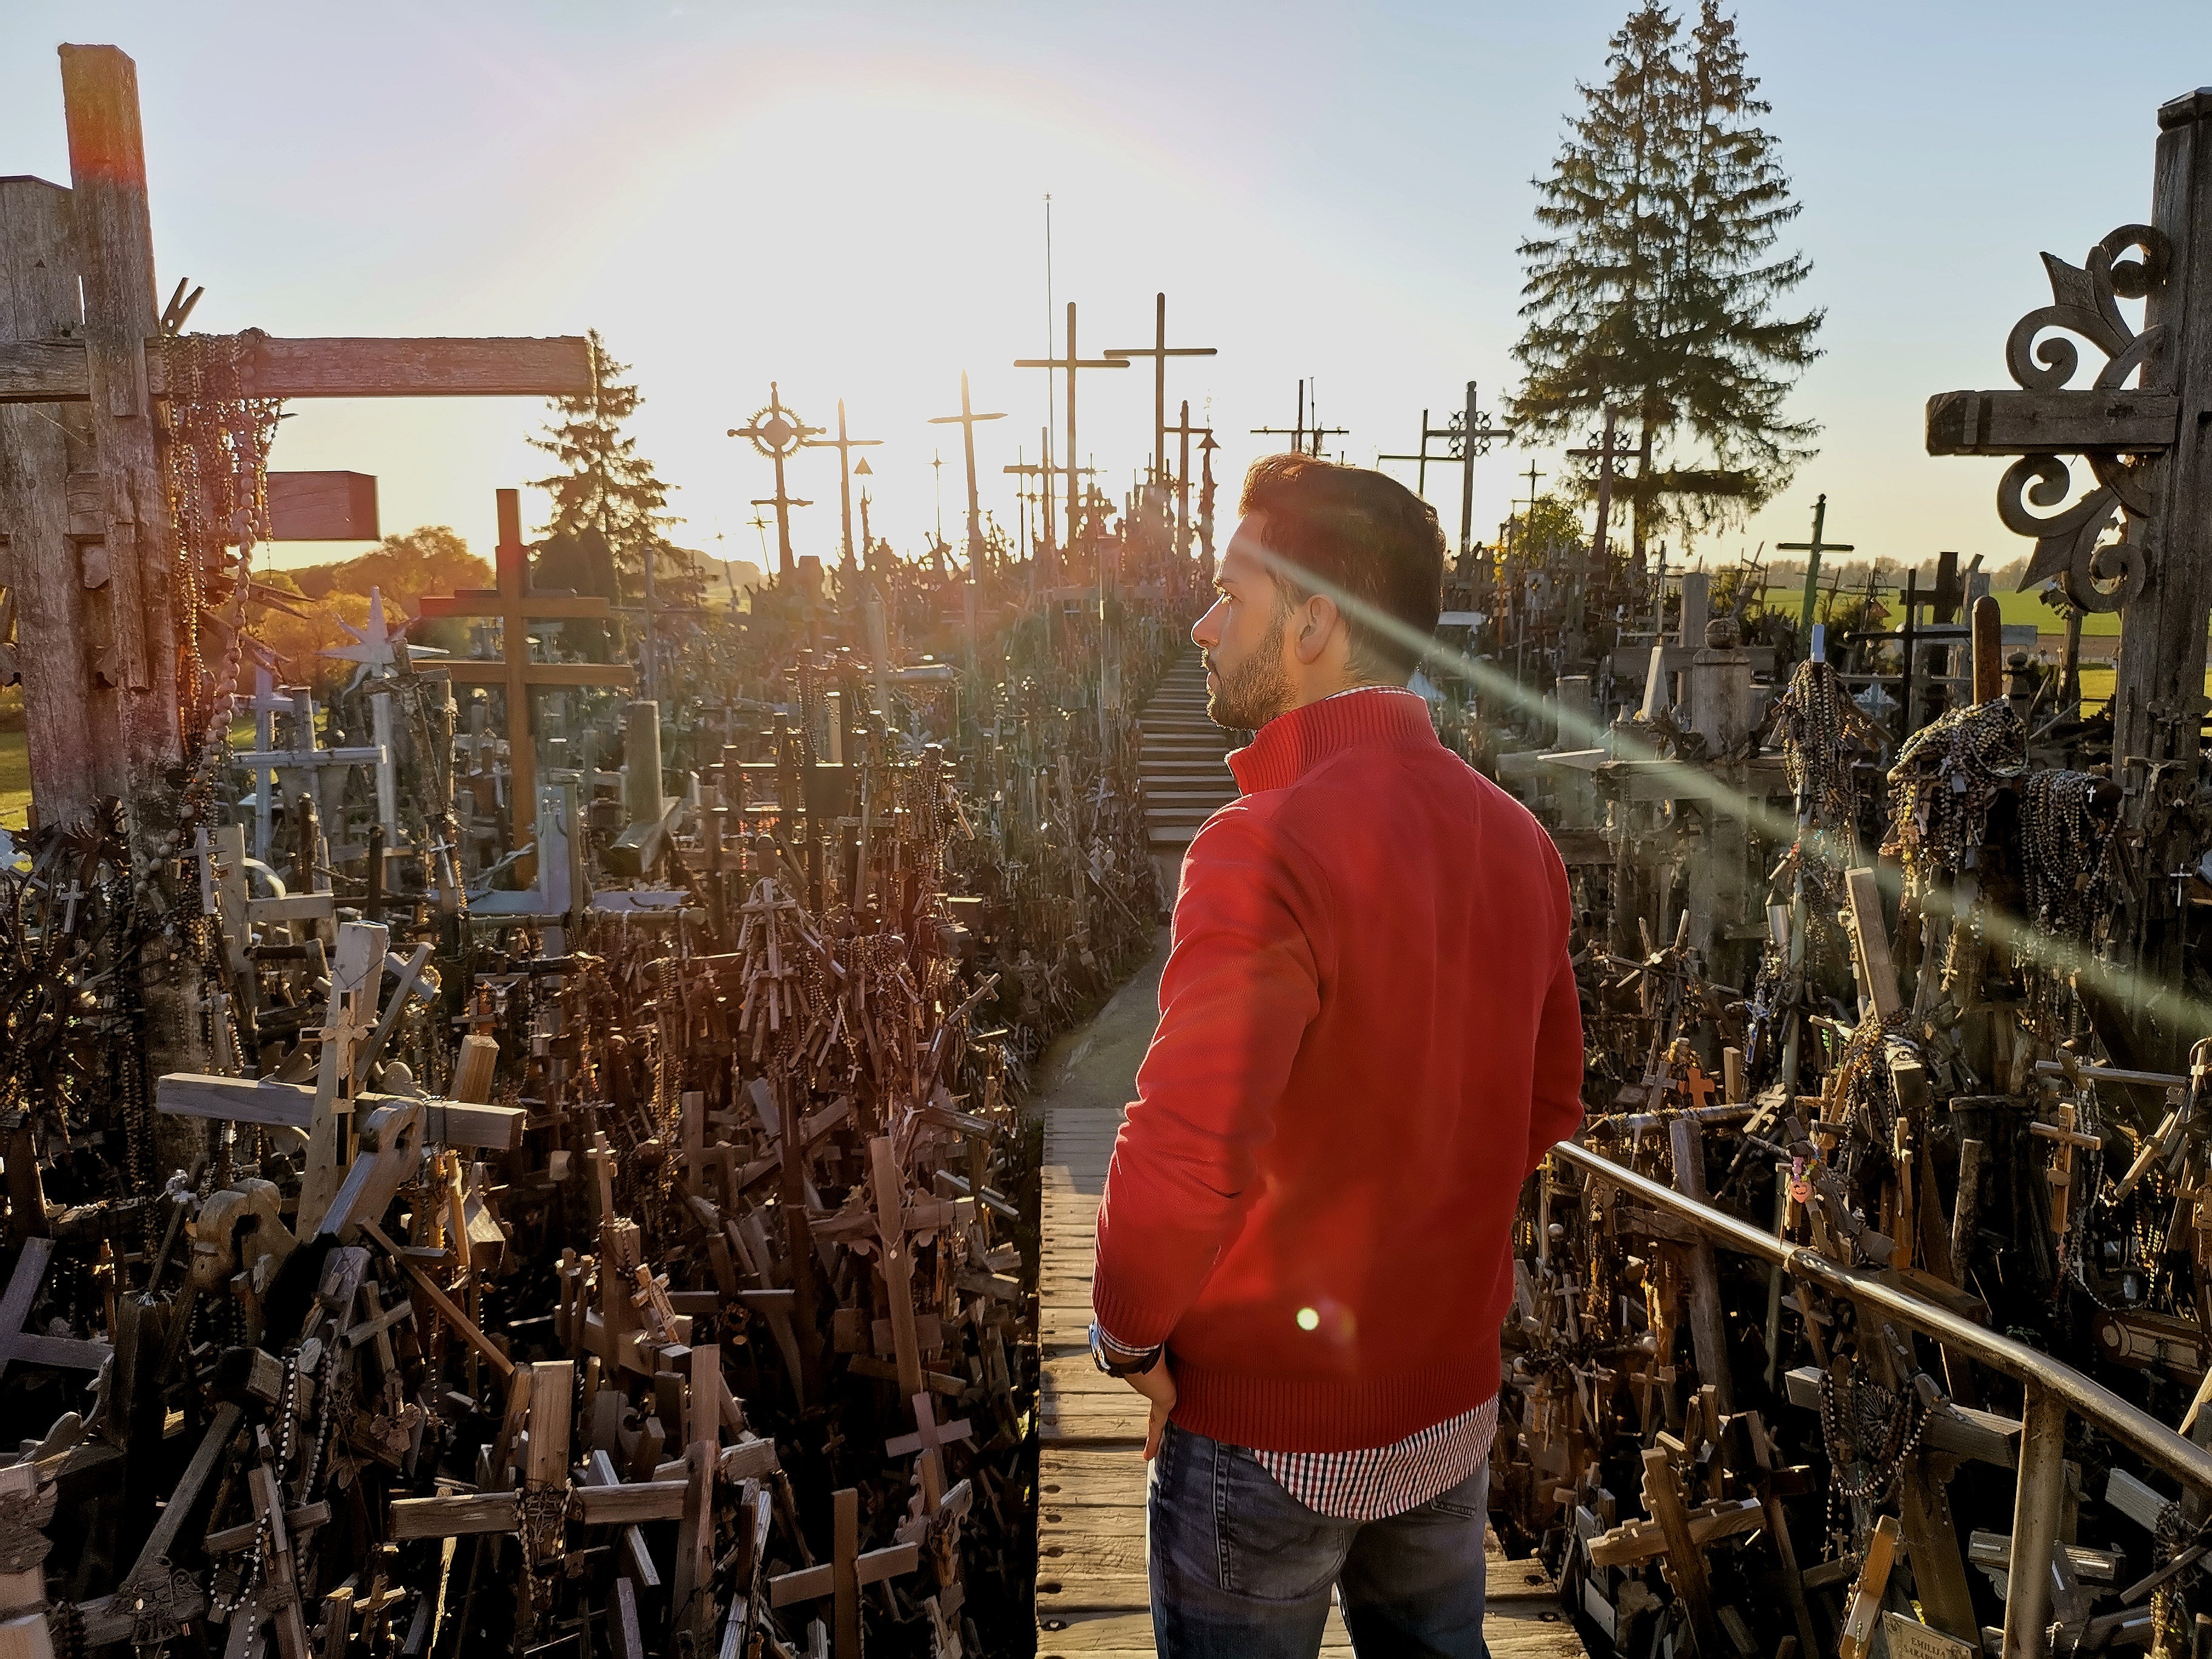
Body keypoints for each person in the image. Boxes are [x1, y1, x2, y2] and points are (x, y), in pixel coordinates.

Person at [1089, 454, 1586, 1658]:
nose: (1201, 625)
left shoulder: (1260, 845)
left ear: (1313, 622)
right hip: (1445, 1409)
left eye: (1230, 596)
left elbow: (1186, 1148)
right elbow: (1548, 1105)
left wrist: (1129, 1336)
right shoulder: (1519, 841)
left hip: (1267, 1435)